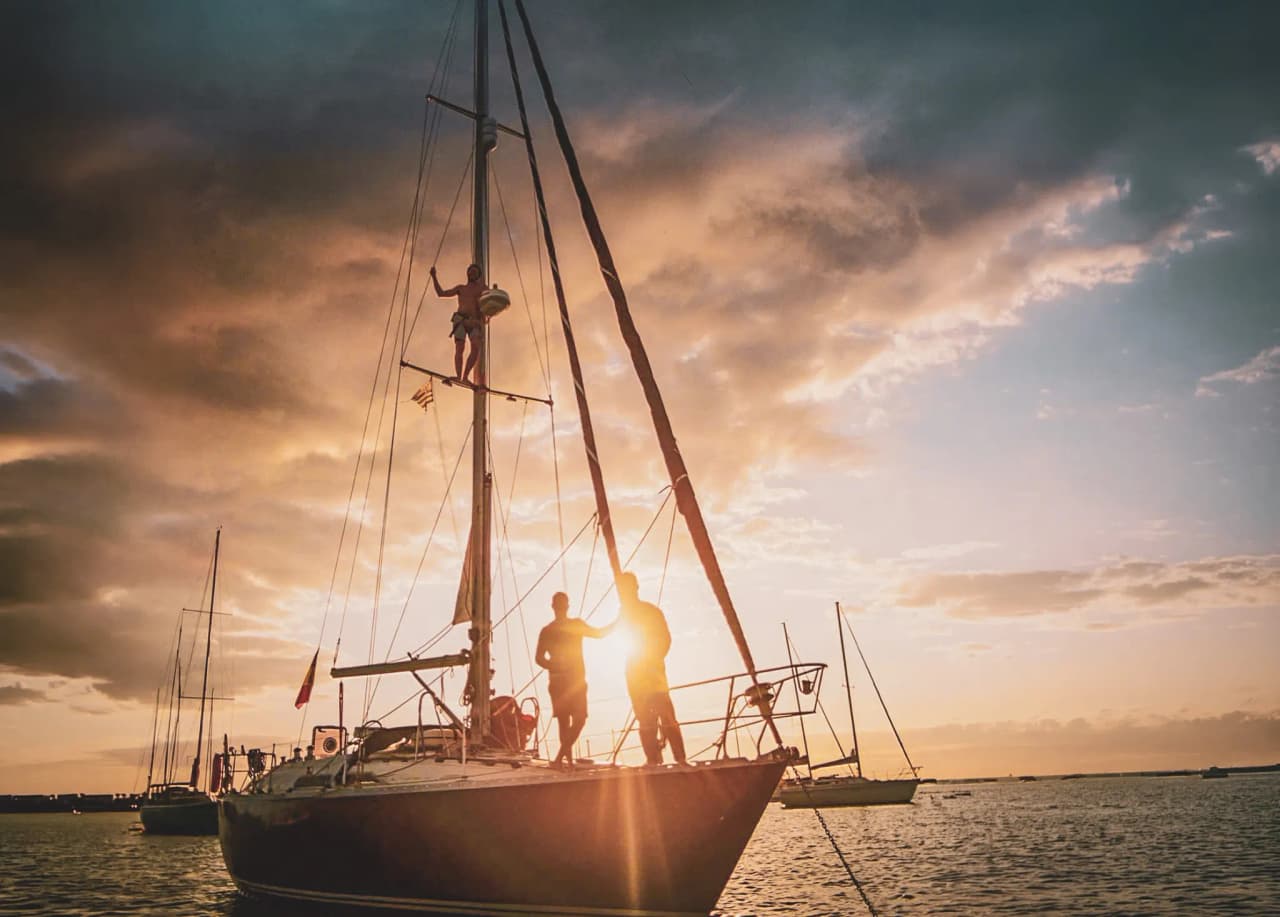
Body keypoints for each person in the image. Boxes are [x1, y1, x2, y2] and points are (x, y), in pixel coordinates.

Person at [617, 571, 687, 766]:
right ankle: (652, 759)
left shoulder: (651, 611)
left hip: (654, 674)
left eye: (629, 588)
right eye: (623, 589)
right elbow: (615, 634)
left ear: (636, 588)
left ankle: (681, 759)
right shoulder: (623, 614)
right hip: (634, 675)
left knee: (667, 717)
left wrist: (653, 658)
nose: (626, 592)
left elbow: (666, 639)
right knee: (644, 719)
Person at [535, 591, 610, 769]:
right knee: (563, 721)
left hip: (576, 681)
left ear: (567, 606)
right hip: (559, 680)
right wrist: (554, 666)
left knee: (579, 719)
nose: (561, 607)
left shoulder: (576, 624)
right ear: (553, 607)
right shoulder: (547, 630)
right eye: (558, 604)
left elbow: (598, 634)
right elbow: (539, 657)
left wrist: (618, 624)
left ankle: (560, 759)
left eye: (563, 604)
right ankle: (566, 761)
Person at [430, 262, 486, 384]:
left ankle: (465, 377)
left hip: (474, 321)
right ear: (467, 273)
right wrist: (434, 276)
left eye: (475, 272)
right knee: (459, 348)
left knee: (476, 347)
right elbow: (441, 293)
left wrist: (484, 319)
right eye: (470, 271)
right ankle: (458, 376)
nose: (472, 273)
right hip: (460, 319)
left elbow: (490, 304)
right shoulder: (461, 288)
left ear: (478, 276)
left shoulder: (483, 289)